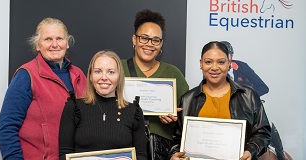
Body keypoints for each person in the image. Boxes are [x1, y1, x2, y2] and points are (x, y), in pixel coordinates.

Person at [0, 17, 87, 160]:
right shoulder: (26, 75)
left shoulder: (79, 75)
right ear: (38, 45)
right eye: (48, 39)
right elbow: (6, 128)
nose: (55, 44)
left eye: (59, 38)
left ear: (67, 43)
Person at [171, 41, 271, 160]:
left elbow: (263, 132)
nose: (214, 67)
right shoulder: (188, 99)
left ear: (229, 64)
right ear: (201, 64)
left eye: (221, 62)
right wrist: (174, 155)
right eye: (208, 62)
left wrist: (250, 151)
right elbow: (178, 139)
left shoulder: (248, 95)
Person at [121, 9, 189, 160]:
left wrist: (176, 119)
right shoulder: (118, 68)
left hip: (161, 151)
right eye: (144, 38)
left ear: (161, 43)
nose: (149, 44)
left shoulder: (173, 73)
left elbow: (187, 116)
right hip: (125, 148)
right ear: (134, 39)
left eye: (155, 40)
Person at [59, 50, 147, 160]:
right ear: (90, 76)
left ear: (119, 77)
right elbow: (64, 153)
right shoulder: (74, 108)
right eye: (98, 71)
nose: (104, 77)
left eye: (111, 72)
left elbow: (141, 155)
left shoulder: (134, 112)